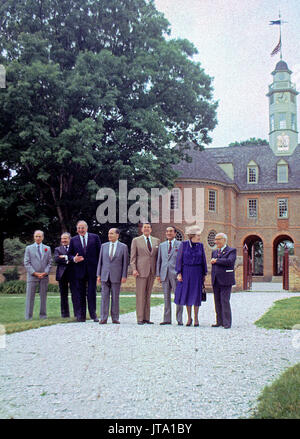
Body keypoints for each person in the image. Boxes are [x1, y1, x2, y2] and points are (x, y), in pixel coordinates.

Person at [68, 220, 101, 322]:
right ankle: (81, 315)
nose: (81, 230)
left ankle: (93, 314)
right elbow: (69, 255)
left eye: (82, 228)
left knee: (91, 292)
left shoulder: (95, 237)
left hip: (92, 270)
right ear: (77, 229)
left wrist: (99, 270)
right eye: (79, 228)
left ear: (87, 228)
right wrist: (74, 258)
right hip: (79, 270)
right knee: (80, 293)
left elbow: (100, 254)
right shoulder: (73, 240)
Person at [174, 226, 207, 327]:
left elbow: (203, 259)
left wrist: (204, 273)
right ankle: (189, 318)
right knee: (188, 294)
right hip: (186, 272)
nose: (199, 237)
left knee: (196, 295)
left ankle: (196, 318)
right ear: (192, 236)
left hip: (197, 272)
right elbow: (179, 259)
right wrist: (179, 273)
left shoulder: (200, 245)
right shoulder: (183, 245)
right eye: (198, 235)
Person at [97, 228, 129, 324]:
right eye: (108, 233)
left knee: (115, 297)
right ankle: (103, 317)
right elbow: (100, 261)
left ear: (117, 235)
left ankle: (115, 318)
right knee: (104, 297)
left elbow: (125, 263)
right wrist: (98, 274)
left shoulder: (123, 247)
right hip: (104, 275)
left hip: (117, 275)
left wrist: (124, 276)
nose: (109, 235)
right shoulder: (104, 246)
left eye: (111, 233)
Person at [130, 222, 160, 325]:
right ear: (142, 229)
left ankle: (147, 318)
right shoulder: (136, 240)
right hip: (140, 271)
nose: (146, 229)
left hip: (152, 271)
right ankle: (140, 318)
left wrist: (158, 271)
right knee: (140, 295)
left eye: (148, 227)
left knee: (148, 295)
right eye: (145, 227)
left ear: (151, 229)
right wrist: (134, 269)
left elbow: (157, 258)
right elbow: (133, 257)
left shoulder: (156, 241)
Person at [156, 226, 183, 325]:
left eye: (171, 231)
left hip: (176, 275)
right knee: (166, 297)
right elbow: (159, 260)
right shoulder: (162, 245)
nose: (169, 233)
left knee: (178, 297)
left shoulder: (180, 245)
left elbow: (182, 261)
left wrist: (181, 273)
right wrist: (158, 274)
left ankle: (179, 319)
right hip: (164, 274)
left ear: (175, 233)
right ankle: (167, 319)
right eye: (167, 231)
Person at [24, 230, 52, 320]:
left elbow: (50, 263)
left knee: (43, 297)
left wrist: (45, 272)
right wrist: (35, 273)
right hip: (32, 276)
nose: (38, 238)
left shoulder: (47, 248)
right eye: (36, 236)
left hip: (44, 276)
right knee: (30, 297)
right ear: (34, 237)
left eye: (40, 236)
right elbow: (26, 263)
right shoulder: (28, 248)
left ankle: (43, 315)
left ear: (43, 237)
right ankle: (28, 316)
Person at [211, 233, 236, 329]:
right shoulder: (214, 252)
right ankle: (219, 321)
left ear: (224, 240)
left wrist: (217, 260)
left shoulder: (231, 251)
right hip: (216, 279)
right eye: (215, 239)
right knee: (217, 301)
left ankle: (227, 322)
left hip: (226, 280)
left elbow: (230, 261)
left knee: (224, 301)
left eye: (218, 239)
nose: (215, 241)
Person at [54, 232, 76, 318]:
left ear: (69, 239)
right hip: (62, 275)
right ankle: (65, 314)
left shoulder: (74, 248)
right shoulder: (57, 249)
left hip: (73, 274)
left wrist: (64, 257)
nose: (63, 240)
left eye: (65, 238)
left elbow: (76, 258)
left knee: (75, 294)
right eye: (62, 239)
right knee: (63, 295)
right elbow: (56, 259)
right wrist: (68, 258)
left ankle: (76, 313)